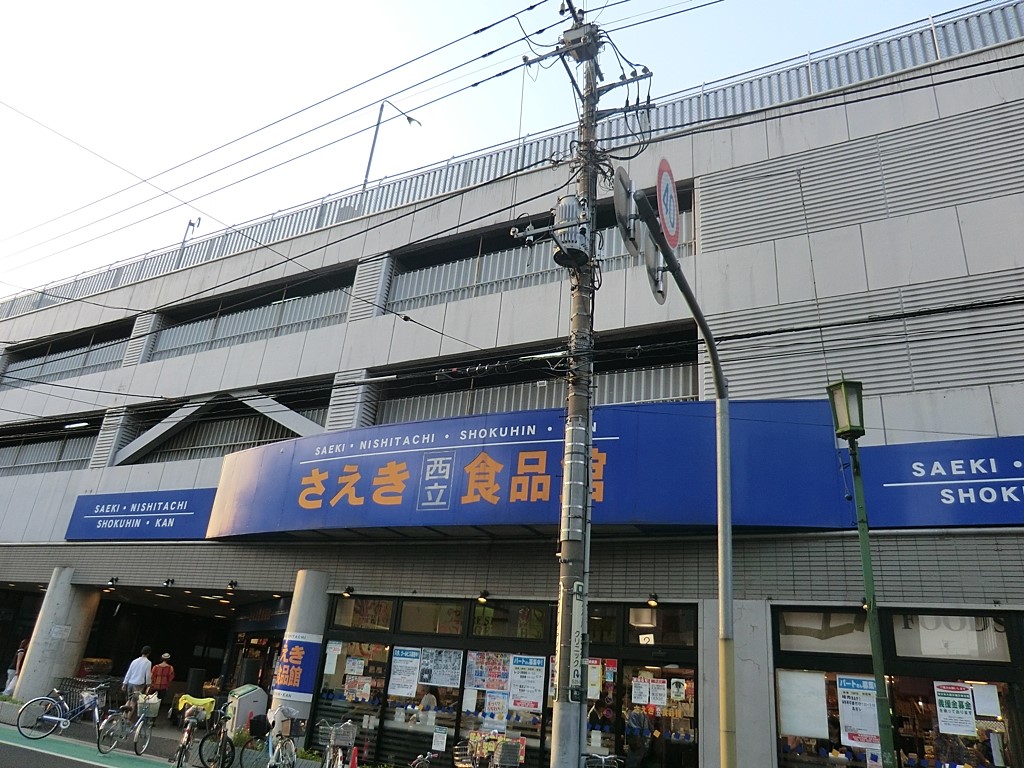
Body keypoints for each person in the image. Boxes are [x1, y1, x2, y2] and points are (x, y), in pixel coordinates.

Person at [122, 645, 152, 715]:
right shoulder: (148, 662)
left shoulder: (134, 661)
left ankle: (123, 716)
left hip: (130, 683)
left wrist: (124, 683)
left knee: (128, 700)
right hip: (139, 684)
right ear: (149, 653)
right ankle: (128, 718)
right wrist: (148, 684)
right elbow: (147, 675)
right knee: (133, 702)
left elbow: (129, 672)